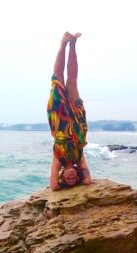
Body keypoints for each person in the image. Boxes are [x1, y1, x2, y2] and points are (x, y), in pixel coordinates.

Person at [47, 32, 92, 190]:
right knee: (72, 81)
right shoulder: (79, 159)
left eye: (69, 180)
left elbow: (53, 186)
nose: (72, 178)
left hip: (59, 119)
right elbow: (87, 180)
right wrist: (81, 177)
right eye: (75, 179)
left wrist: (59, 183)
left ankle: (63, 43)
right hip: (78, 123)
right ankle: (73, 44)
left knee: (58, 79)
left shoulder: (58, 159)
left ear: (62, 177)